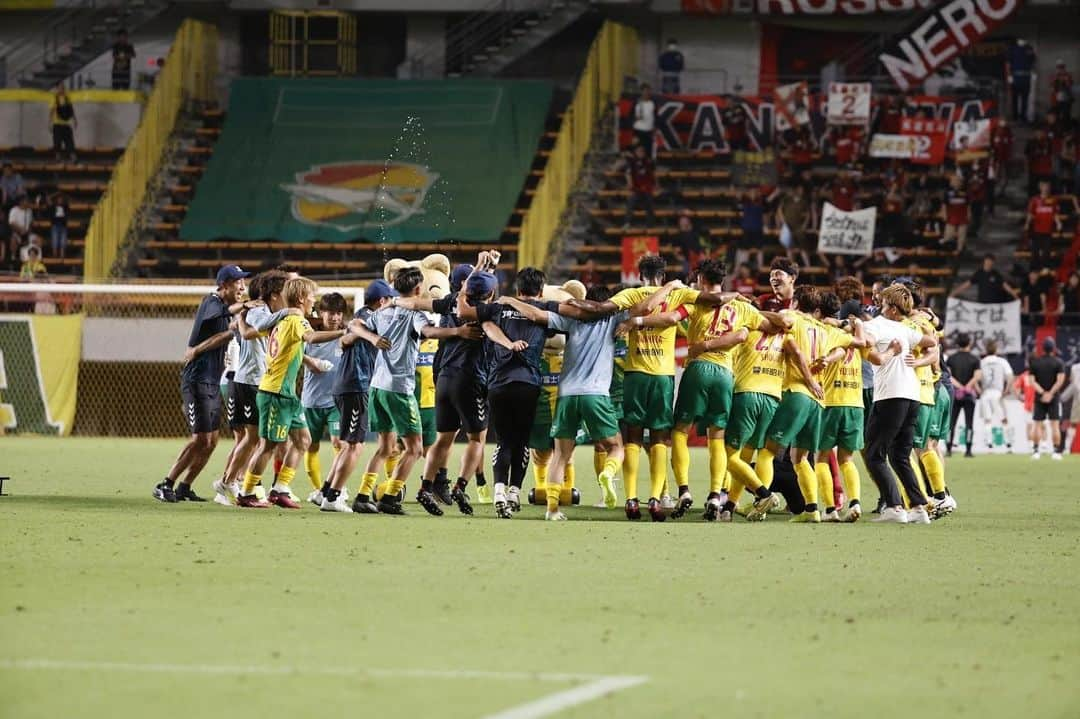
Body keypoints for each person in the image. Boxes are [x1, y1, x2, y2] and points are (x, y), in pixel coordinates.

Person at [567, 255, 732, 520]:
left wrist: (570, 302)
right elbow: (715, 300)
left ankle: (631, 500)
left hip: (635, 374)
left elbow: (599, 309)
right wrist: (736, 295)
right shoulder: (680, 293)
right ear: (663, 275)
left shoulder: (632, 294)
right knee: (659, 439)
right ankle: (656, 499)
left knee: (632, 437)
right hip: (662, 376)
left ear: (640, 275)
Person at [496, 288, 630, 520]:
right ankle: (607, 474)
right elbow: (645, 307)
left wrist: (510, 300)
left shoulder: (572, 319)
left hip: (566, 394)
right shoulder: (614, 318)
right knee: (616, 447)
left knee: (559, 455)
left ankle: (552, 510)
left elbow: (536, 315)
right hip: (596, 393)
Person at [455, 268, 562, 518]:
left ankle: (499, 492)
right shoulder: (545, 309)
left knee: (503, 441)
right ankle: (514, 492)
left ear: (517, 289)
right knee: (521, 441)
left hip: (499, 384)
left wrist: (463, 290)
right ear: (541, 289)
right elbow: (557, 332)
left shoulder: (497, 308)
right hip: (528, 384)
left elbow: (464, 312)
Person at [237, 278, 348, 509]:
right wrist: (343, 331)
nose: (313, 301)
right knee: (267, 446)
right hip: (275, 392)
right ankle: (246, 493)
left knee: (303, 440)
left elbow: (251, 331)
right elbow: (312, 337)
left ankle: (280, 489)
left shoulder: (280, 319)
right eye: (311, 297)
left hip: (287, 394)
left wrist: (241, 317)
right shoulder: (296, 318)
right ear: (300, 299)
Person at [400, 255, 494, 512]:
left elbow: (422, 304)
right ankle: (461, 486)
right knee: (477, 438)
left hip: (443, 377)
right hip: (471, 378)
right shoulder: (484, 310)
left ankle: (425, 487)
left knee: (443, 439)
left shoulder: (449, 302)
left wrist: (396, 301)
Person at [154, 265, 250, 503]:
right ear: (224, 285)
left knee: (211, 441)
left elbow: (228, 329)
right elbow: (222, 322)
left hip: (212, 382)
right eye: (238, 282)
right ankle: (165, 483)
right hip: (196, 379)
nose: (243, 287)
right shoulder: (212, 301)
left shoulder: (227, 312)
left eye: (244, 283)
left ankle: (185, 487)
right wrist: (247, 307)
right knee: (200, 439)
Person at [211, 270, 295, 506]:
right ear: (275, 293)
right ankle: (227, 482)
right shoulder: (259, 312)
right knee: (251, 439)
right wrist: (284, 317)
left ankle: (233, 482)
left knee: (253, 439)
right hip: (248, 381)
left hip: (255, 380)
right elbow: (247, 333)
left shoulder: (264, 312)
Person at [317, 281, 394, 513]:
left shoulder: (365, 318)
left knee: (348, 444)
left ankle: (326, 491)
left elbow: (347, 337)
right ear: (382, 301)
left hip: (347, 385)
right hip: (356, 385)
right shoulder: (370, 319)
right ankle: (333, 497)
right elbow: (349, 334)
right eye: (390, 301)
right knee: (355, 446)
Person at [862, 284, 936, 524]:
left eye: (883, 303)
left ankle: (894, 507)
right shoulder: (905, 329)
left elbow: (867, 342)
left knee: (874, 453)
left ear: (892, 308)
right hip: (912, 396)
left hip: (890, 395)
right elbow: (931, 341)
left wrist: (856, 328)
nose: (879, 306)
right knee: (899, 455)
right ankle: (918, 507)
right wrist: (922, 358)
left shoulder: (876, 326)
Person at [301, 293, 347, 502]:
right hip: (311, 401)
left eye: (338, 313)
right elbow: (294, 354)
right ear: (321, 313)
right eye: (330, 313)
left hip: (336, 401)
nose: (335, 318)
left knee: (340, 443)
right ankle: (319, 489)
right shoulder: (310, 336)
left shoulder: (347, 337)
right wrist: (311, 362)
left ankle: (337, 486)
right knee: (311, 445)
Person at [1029, 337, 1067, 460]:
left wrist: (1042, 393)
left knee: (1037, 424)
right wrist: (1050, 393)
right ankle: (1056, 451)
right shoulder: (1059, 362)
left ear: (1043, 349)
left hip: (1039, 397)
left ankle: (1035, 450)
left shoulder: (1035, 362)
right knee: (1055, 424)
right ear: (1054, 349)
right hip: (1054, 397)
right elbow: (1060, 381)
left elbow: (1032, 381)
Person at [946, 333, 981, 457]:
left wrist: (959, 387)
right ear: (969, 343)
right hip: (969, 394)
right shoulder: (974, 359)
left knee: (951, 423)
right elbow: (977, 376)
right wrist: (967, 387)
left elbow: (949, 376)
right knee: (969, 422)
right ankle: (968, 449)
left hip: (955, 394)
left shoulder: (951, 359)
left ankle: (949, 448)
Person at [979, 340, 1015, 453]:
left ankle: (989, 445)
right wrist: (1006, 390)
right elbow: (1010, 377)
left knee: (987, 420)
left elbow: (976, 377)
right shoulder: (1002, 362)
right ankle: (1009, 445)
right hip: (997, 393)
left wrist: (979, 391)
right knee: (1003, 419)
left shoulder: (982, 362)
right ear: (996, 350)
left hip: (985, 393)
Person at [951, 254, 1020, 303]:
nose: (989, 263)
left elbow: (1005, 286)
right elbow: (967, 285)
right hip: (982, 303)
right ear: (984, 261)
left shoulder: (996, 274)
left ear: (993, 263)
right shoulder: (979, 273)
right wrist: (954, 293)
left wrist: (1015, 296)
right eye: (987, 261)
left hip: (994, 304)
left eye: (990, 262)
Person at [1025, 180, 1061, 271]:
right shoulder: (1034, 200)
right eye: (1043, 187)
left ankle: (1045, 270)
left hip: (1048, 231)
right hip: (1036, 230)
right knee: (1035, 252)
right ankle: (1033, 270)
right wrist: (1027, 223)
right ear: (1040, 188)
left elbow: (1055, 214)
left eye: (1047, 187)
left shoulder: (1053, 200)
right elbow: (1030, 214)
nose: (1045, 189)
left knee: (1046, 252)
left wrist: (1058, 223)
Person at [624, 143, 657, 228]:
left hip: (647, 189)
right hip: (636, 189)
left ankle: (650, 225)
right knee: (630, 201)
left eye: (642, 151)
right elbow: (628, 173)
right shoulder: (632, 162)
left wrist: (656, 185)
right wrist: (629, 183)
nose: (641, 153)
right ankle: (628, 222)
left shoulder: (648, 162)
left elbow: (653, 174)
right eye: (639, 151)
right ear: (635, 152)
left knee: (650, 204)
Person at [1006, 38, 1036, 123]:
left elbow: (1033, 61)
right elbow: (1008, 63)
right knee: (1014, 98)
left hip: (1026, 77)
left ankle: (1023, 117)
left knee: (1025, 99)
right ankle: (1015, 116)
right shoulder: (1012, 49)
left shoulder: (1029, 48)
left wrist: (1032, 72)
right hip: (1016, 76)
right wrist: (1009, 76)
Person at [941, 173, 970, 254]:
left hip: (962, 217)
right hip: (951, 217)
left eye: (958, 181)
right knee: (948, 236)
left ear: (961, 182)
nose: (956, 182)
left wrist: (969, 214)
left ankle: (959, 251)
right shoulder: (947, 193)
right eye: (954, 181)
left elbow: (968, 205)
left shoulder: (965, 192)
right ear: (951, 182)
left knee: (962, 236)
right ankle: (947, 251)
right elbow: (944, 205)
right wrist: (944, 214)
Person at [50, 85, 76, 163]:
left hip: (66, 124)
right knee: (57, 141)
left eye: (63, 88)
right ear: (57, 89)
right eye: (60, 88)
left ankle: (73, 156)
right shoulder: (54, 98)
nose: (61, 90)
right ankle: (58, 157)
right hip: (57, 124)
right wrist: (50, 123)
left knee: (70, 142)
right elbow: (51, 111)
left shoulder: (67, 98)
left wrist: (75, 120)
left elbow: (71, 110)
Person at [632, 84, 656, 156]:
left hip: (649, 131)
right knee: (637, 150)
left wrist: (655, 127)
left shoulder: (653, 103)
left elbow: (656, 116)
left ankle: (647, 164)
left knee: (648, 151)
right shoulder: (637, 102)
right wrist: (635, 118)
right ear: (642, 92)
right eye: (645, 91)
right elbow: (630, 115)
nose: (647, 93)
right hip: (638, 131)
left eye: (648, 91)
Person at [49, 192, 69, 258]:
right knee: (55, 240)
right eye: (59, 199)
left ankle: (62, 256)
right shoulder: (53, 206)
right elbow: (49, 200)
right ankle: (54, 255)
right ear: (56, 200)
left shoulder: (65, 207)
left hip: (63, 225)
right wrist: (55, 194)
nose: (60, 200)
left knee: (63, 241)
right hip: (55, 225)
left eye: (61, 199)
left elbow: (67, 214)